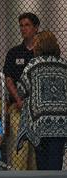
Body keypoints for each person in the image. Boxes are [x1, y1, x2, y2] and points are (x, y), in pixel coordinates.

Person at [16, 31, 67, 170]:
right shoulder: (63, 65)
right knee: (56, 160)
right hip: (61, 123)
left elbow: (21, 89)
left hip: (40, 122)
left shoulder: (33, 65)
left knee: (42, 161)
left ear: (39, 46)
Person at [3, 12, 39, 170]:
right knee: (20, 148)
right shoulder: (14, 53)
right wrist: (18, 100)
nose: (23, 29)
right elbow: (8, 79)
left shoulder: (42, 52)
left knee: (37, 148)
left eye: (27, 25)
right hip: (18, 107)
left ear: (36, 28)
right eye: (21, 26)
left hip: (39, 109)